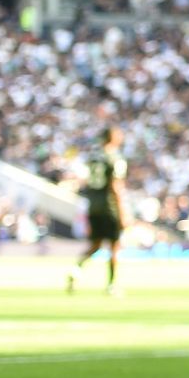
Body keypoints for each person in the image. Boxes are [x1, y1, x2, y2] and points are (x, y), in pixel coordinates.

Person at [68, 127, 129, 296]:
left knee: (94, 245)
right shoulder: (115, 158)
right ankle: (112, 284)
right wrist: (123, 211)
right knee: (115, 246)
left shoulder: (93, 158)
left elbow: (87, 182)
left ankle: (76, 269)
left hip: (93, 206)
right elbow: (116, 186)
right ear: (113, 138)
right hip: (109, 206)